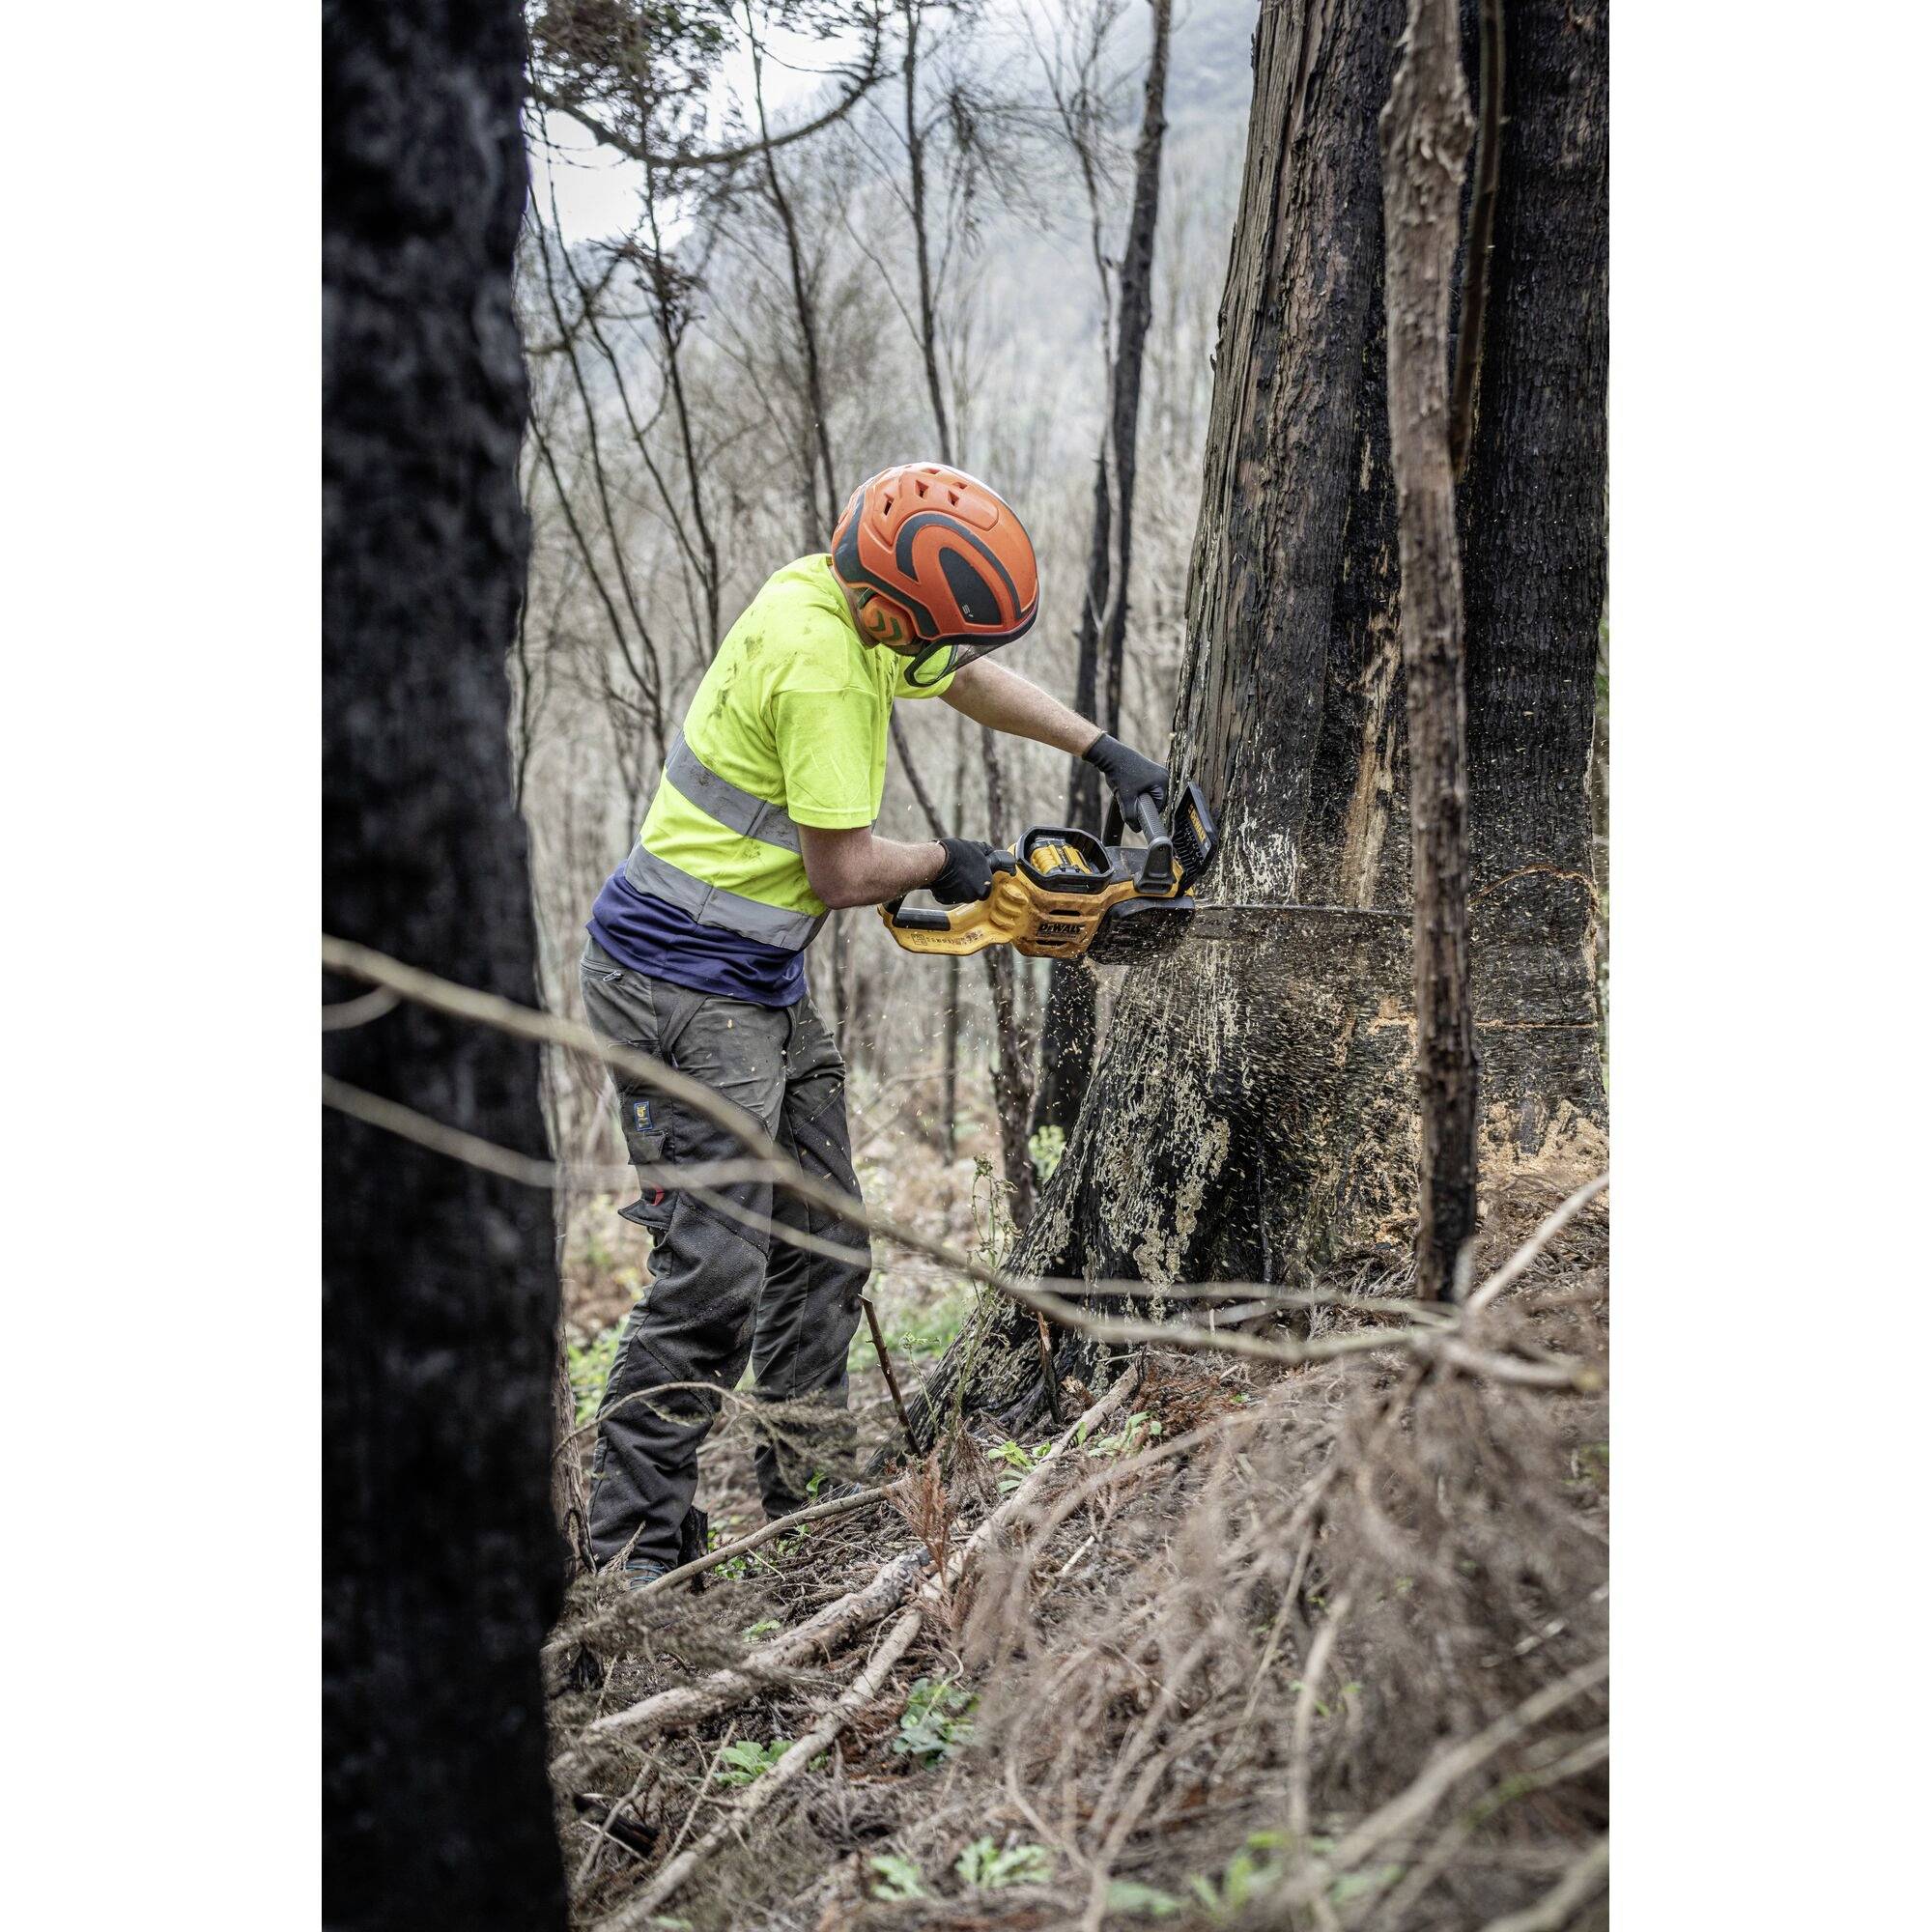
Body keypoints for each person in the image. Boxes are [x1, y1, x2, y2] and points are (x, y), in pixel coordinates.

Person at [579, 461, 1171, 1584]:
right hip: (677, 988)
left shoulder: (837, 589)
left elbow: (958, 676)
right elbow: (845, 869)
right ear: (891, 606)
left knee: (823, 1245)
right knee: (711, 1274)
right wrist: (951, 859)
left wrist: (1100, 749)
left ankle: (801, 1511)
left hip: (749, 979)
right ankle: (633, 1566)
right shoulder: (822, 671)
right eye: (929, 634)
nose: (936, 656)